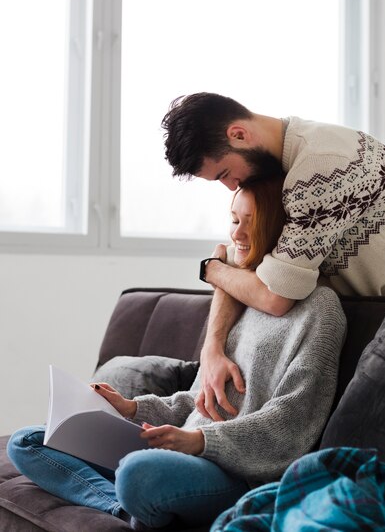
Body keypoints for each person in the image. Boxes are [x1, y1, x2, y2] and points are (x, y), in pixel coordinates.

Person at [7, 178, 347, 531]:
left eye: (253, 221)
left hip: (237, 472)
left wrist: (199, 441)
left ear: (283, 230)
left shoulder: (321, 309)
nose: (238, 234)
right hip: (181, 451)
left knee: (139, 472)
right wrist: (132, 408)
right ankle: (123, 510)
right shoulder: (240, 299)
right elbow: (200, 401)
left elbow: (292, 420)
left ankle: (137, 496)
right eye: (234, 220)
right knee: (27, 441)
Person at [161, 91, 385, 418]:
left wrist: (211, 270)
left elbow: (275, 297)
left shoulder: (318, 169)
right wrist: (212, 348)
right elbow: (242, 265)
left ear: (238, 134)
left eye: (224, 173)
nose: (230, 187)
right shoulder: (281, 166)